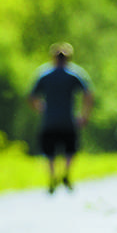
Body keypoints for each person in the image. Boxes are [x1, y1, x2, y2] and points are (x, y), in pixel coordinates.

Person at [29, 43, 94, 194]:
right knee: (70, 150)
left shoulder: (45, 74)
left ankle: (52, 177)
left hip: (50, 120)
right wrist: (84, 115)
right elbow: (88, 94)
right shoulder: (73, 74)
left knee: (50, 152)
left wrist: (41, 108)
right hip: (67, 120)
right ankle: (65, 174)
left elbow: (31, 96)